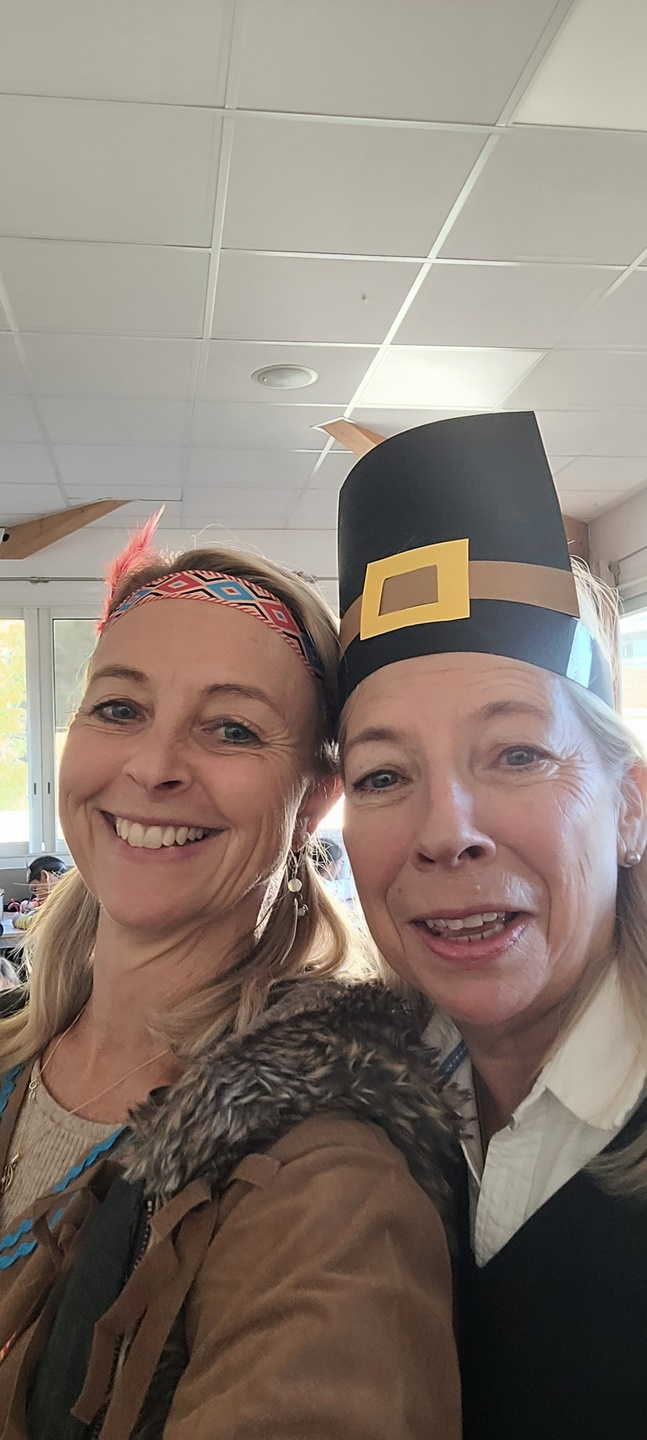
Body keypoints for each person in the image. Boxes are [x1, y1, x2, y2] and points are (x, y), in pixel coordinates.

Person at [0, 534, 460, 1439]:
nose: (153, 765)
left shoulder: (328, 1175)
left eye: (232, 729)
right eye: (120, 708)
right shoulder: (16, 1050)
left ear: (314, 799)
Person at [336, 412, 647, 1440]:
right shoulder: (338, 1111)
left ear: (628, 807)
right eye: (383, 775)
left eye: (516, 755)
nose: (445, 833)